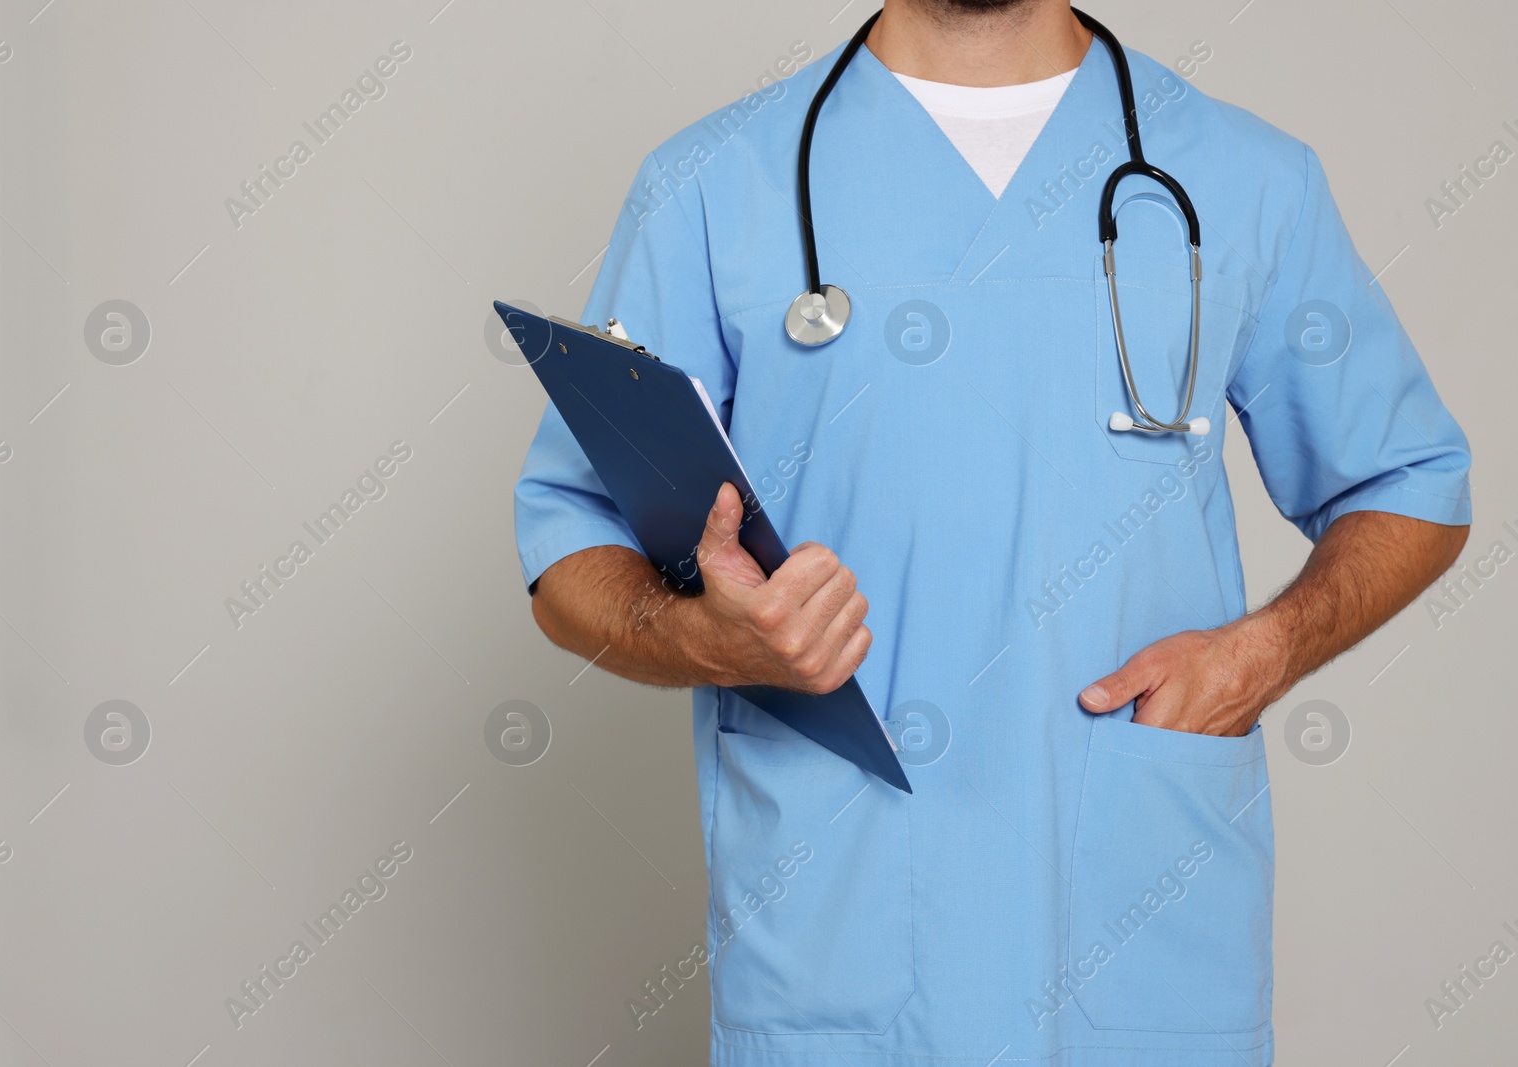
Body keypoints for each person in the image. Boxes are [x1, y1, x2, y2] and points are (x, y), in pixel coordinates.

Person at [512, 1, 1472, 1064]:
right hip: (839, 911)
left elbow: (1411, 478)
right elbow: (570, 539)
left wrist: (1267, 650)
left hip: (1135, 914)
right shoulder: (712, 185)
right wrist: (707, 638)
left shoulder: (1246, 178)